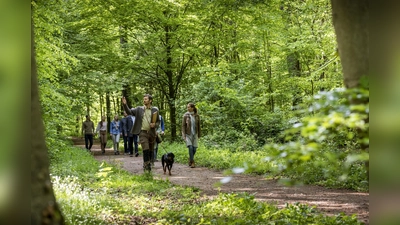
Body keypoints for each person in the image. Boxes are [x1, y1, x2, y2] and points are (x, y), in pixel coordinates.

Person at [122, 94, 160, 171]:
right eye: (144, 99)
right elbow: (129, 112)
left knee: (150, 150)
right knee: (145, 148)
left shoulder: (155, 110)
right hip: (142, 132)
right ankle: (146, 166)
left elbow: (158, 122)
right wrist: (125, 104)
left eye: (146, 99)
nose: (144, 100)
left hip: (152, 133)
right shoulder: (139, 109)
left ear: (150, 100)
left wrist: (155, 125)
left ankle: (150, 162)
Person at [182, 103, 201, 168]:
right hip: (188, 134)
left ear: (192, 108)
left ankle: (190, 158)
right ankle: (192, 162)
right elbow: (183, 126)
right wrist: (183, 135)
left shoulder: (197, 116)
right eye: (187, 107)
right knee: (190, 147)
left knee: (194, 148)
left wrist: (199, 134)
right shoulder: (185, 115)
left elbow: (199, 126)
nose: (187, 108)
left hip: (195, 134)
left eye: (189, 107)